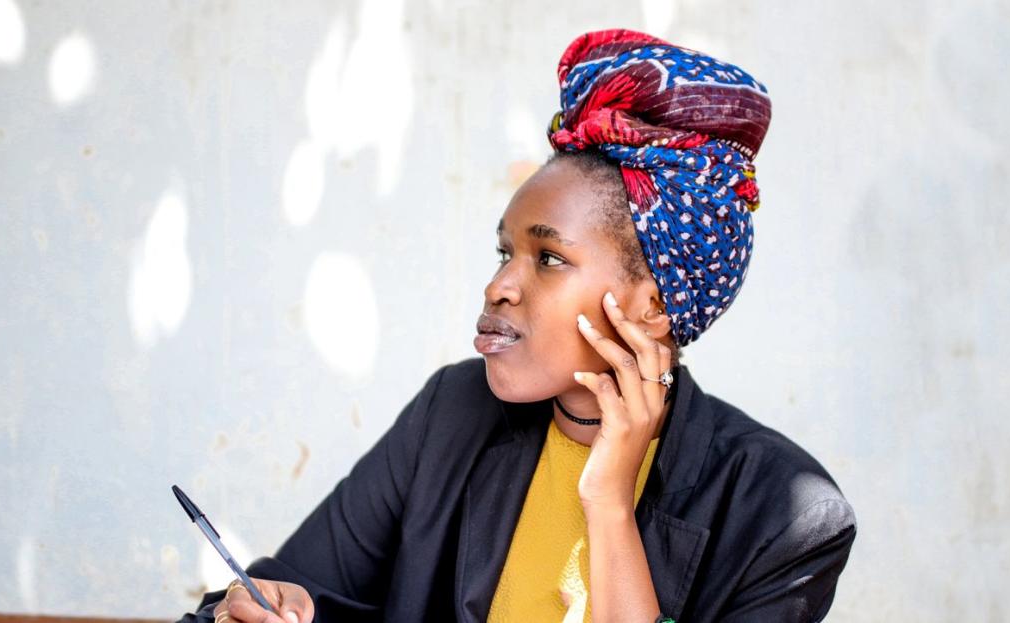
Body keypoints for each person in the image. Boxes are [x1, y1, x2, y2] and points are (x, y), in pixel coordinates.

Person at [180, 29, 856, 623]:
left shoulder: (784, 515)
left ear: (652, 303)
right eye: (506, 251)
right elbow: (292, 587)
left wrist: (609, 504)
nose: (499, 285)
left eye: (549, 257)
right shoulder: (453, 413)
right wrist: (249, 611)